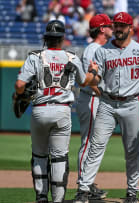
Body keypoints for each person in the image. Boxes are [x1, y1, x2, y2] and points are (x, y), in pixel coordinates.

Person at [74, 11, 139, 203]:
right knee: (95, 147)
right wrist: (88, 77)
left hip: (132, 102)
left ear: (131, 28)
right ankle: (83, 190)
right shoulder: (102, 50)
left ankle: (132, 191)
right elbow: (96, 79)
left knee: (132, 150)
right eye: (116, 25)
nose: (119, 28)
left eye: (123, 25)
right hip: (107, 102)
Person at [14, 20, 98, 203]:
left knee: (39, 155)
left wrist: (20, 95)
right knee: (59, 158)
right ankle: (58, 200)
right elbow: (85, 82)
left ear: (46, 38)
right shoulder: (71, 57)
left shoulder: (35, 56)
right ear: (62, 38)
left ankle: (41, 197)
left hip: (40, 110)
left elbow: (20, 85)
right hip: (62, 111)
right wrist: (94, 72)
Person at [75, 13, 113, 200]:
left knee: (94, 143)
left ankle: (87, 183)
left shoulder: (100, 48)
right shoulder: (93, 49)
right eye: (109, 26)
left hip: (96, 98)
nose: (112, 29)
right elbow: (89, 80)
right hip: (90, 97)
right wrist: (104, 95)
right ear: (101, 29)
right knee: (88, 142)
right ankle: (83, 185)